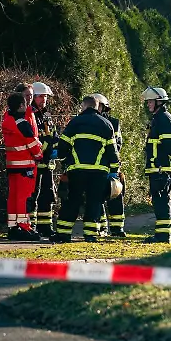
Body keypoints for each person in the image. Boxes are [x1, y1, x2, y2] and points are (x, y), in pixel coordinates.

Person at [53, 95, 120, 243]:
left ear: (83, 106)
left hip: (77, 170)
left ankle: (63, 234)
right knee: (94, 202)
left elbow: (63, 147)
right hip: (99, 172)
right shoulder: (106, 124)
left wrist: (64, 159)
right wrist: (114, 171)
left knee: (72, 201)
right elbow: (113, 151)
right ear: (97, 107)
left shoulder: (75, 122)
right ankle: (90, 235)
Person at [1, 93, 44, 241]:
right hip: (25, 166)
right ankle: (24, 227)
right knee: (24, 199)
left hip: (12, 165)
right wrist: (40, 155)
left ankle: (13, 227)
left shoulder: (7, 120)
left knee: (13, 198)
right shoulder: (22, 123)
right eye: (25, 103)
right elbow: (32, 144)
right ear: (21, 106)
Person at [142, 87, 171, 243]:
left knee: (162, 201)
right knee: (159, 201)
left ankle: (163, 236)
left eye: (150, 101)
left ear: (159, 101)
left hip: (162, 168)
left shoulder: (164, 118)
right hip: (157, 168)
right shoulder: (158, 118)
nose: (148, 104)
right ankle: (161, 234)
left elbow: (169, 143)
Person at [93, 93, 127, 237]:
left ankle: (117, 228)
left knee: (116, 196)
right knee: (97, 196)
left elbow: (117, 145)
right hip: (97, 165)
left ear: (104, 107)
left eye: (99, 106)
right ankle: (102, 227)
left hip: (111, 165)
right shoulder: (90, 121)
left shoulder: (114, 123)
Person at [29, 82, 59, 238]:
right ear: (33, 97)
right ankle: (31, 226)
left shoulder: (47, 115)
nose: (44, 99)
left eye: (46, 97)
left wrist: (56, 147)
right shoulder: (30, 115)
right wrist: (46, 148)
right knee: (33, 195)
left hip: (47, 165)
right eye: (41, 96)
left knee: (47, 195)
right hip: (35, 163)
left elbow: (53, 135)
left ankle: (45, 226)